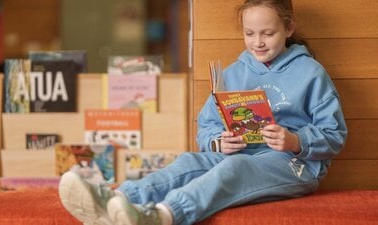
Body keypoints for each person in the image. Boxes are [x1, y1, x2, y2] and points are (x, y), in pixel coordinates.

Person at [58, 0, 348, 224]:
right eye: (249, 33)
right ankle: (115, 199)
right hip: (239, 153)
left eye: (268, 33)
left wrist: (295, 141)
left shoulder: (310, 73)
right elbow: (206, 126)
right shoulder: (234, 73)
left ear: (289, 29)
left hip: (294, 166)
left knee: (235, 168)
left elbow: (334, 134)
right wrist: (218, 142)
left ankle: (163, 215)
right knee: (189, 161)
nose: (258, 42)